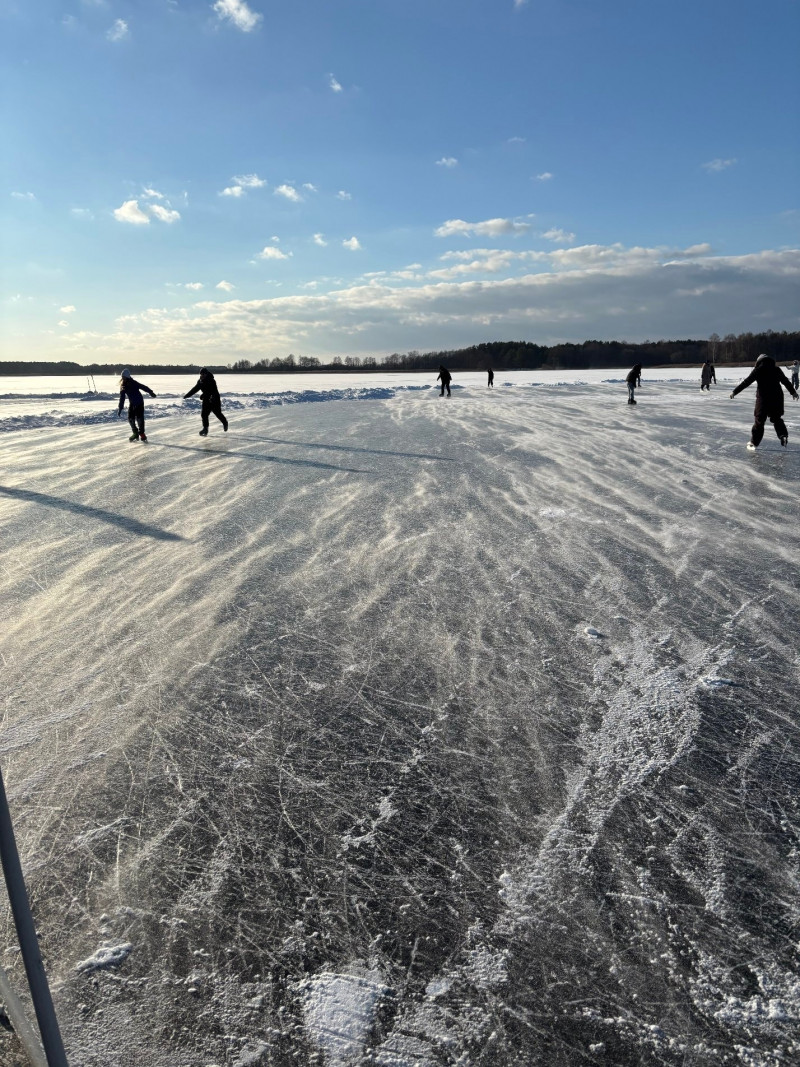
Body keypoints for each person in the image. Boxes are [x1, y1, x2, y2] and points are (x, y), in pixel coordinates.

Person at [729, 353, 798, 450]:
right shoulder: (776, 369)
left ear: (759, 362)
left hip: (763, 399)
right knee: (777, 419)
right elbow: (785, 381)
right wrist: (793, 392)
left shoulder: (758, 370)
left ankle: (754, 442)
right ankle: (783, 436)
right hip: (776, 398)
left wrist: (735, 392)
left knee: (759, 421)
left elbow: (746, 382)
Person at [184, 368, 229, 436]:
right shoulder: (200, 381)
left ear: (206, 374)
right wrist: (187, 395)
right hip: (206, 399)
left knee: (217, 413)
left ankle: (225, 423)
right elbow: (195, 389)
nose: (202, 375)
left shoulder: (211, 380)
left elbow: (211, 390)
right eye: (201, 374)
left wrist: (203, 395)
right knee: (204, 414)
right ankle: (205, 429)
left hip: (214, 399)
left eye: (204, 374)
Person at [118, 368, 156, 442]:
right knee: (130, 418)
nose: (123, 379)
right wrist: (120, 408)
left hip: (139, 402)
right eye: (122, 377)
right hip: (132, 403)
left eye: (124, 377)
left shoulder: (134, 383)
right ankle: (135, 433)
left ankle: (141, 433)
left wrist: (150, 392)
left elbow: (143, 387)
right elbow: (122, 398)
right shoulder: (123, 386)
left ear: (128, 377)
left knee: (139, 418)